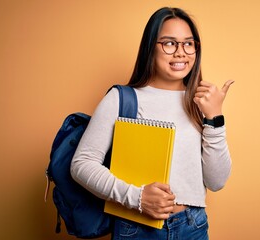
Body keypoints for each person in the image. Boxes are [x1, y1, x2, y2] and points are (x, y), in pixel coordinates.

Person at [71, 7, 233, 240]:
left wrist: (215, 118)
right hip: (136, 227)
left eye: (189, 43)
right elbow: (81, 164)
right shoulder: (121, 99)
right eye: (169, 43)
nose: (181, 53)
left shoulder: (201, 102)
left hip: (193, 227)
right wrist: (137, 197)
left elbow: (216, 182)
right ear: (150, 47)